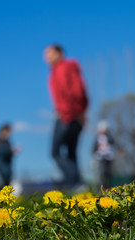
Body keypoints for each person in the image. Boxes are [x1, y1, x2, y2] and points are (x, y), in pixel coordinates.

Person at [44, 44, 89, 187]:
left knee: (55, 152)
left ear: (59, 53)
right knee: (71, 152)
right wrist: (81, 112)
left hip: (66, 115)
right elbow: (82, 91)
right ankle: (76, 183)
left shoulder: (62, 68)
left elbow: (76, 92)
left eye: (49, 53)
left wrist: (70, 113)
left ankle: (74, 181)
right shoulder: (59, 70)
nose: (46, 57)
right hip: (75, 114)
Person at [93, 121, 115, 188]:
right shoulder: (97, 138)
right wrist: (96, 147)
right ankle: (103, 186)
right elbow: (93, 147)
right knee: (102, 172)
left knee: (108, 172)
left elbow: (114, 143)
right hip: (101, 157)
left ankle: (108, 186)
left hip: (108, 156)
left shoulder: (109, 137)